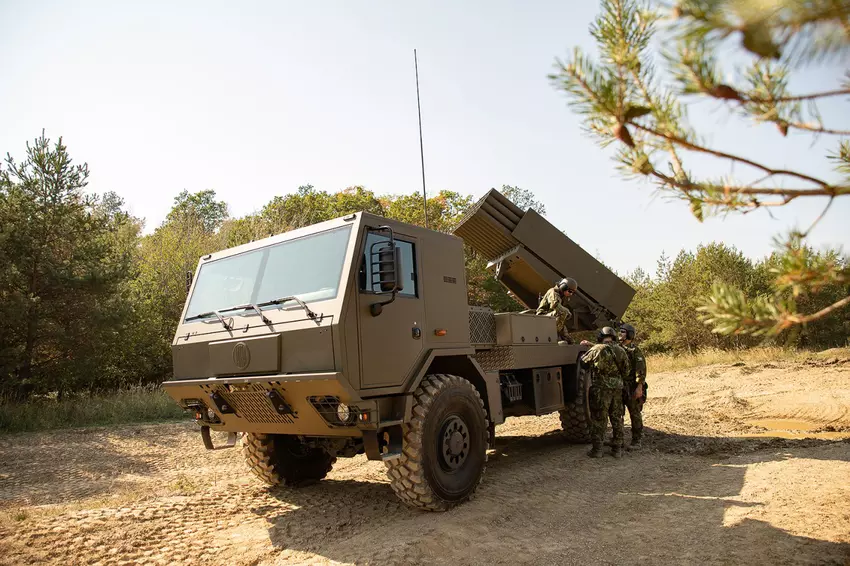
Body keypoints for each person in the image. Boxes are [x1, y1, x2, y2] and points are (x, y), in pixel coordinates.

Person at [580, 326, 630, 458]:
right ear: (613, 336)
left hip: (601, 389)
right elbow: (626, 371)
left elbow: (583, 364)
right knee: (616, 418)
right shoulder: (621, 350)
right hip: (617, 389)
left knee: (599, 419)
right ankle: (617, 449)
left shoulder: (597, 349)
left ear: (601, 337)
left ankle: (597, 450)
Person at [619, 323, 647, 450]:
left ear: (629, 334)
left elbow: (640, 370)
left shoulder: (635, 351)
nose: (620, 334)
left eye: (623, 332)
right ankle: (618, 439)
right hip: (620, 386)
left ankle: (637, 440)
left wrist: (639, 386)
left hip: (632, 386)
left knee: (634, 414)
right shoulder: (617, 348)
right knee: (617, 414)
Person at [536, 277, 577, 343]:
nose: (571, 294)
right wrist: (567, 311)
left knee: (570, 341)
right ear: (563, 287)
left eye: (572, 292)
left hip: (549, 317)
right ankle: (555, 336)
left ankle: (564, 338)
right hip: (541, 317)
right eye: (570, 291)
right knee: (562, 312)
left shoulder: (560, 295)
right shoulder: (553, 292)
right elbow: (555, 305)